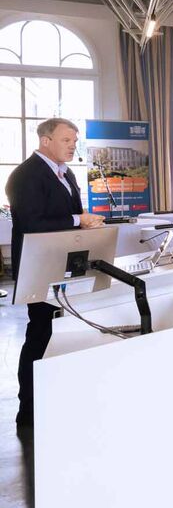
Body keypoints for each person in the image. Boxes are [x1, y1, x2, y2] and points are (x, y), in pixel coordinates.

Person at [6, 118, 105, 426]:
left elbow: (66, 215)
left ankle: (59, 397)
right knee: (40, 333)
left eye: (74, 140)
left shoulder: (67, 173)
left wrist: (83, 224)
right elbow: (33, 224)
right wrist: (79, 220)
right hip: (40, 267)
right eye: (66, 140)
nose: (73, 145)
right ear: (45, 141)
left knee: (63, 332)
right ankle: (30, 409)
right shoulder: (25, 175)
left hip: (66, 265)